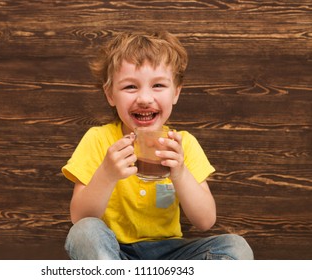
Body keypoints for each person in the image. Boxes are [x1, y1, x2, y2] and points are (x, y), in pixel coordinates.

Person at [61, 31, 253, 260]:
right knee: (83, 233)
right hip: (113, 251)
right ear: (110, 95)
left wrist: (180, 173)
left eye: (158, 85)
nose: (144, 98)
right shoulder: (98, 140)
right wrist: (107, 174)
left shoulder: (183, 145)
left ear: (176, 93)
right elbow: (80, 218)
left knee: (236, 248)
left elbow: (205, 221)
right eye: (130, 87)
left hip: (170, 254)